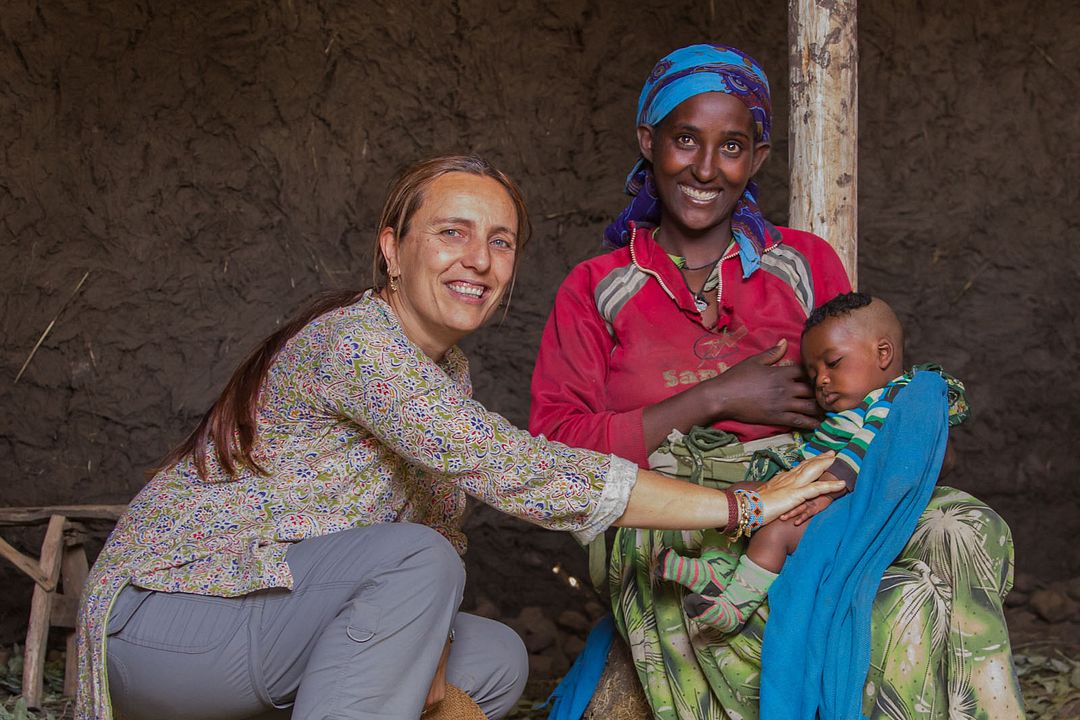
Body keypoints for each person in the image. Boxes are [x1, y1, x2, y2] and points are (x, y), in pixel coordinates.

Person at [74, 154, 845, 720]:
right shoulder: (354, 343)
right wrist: (741, 506)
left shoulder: (448, 374)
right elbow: (513, 470)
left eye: (501, 241)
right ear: (392, 247)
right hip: (165, 625)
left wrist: (445, 697)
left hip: (271, 625)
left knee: (494, 662)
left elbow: (434, 548)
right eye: (452, 232)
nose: (479, 260)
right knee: (417, 562)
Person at [529, 44, 1024, 719]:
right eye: (684, 140)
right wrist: (715, 397)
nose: (705, 168)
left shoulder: (804, 263)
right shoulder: (595, 288)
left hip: (815, 493)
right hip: (675, 508)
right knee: (877, 610)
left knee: (966, 527)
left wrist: (892, 441)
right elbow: (553, 452)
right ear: (648, 142)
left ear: (757, 157)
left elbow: (872, 388)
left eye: (731, 146)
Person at [657, 292, 969, 632]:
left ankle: (735, 606)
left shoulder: (894, 399)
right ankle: (715, 568)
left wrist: (821, 493)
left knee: (778, 528)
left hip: (846, 509)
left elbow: (865, 451)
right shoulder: (850, 410)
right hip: (810, 494)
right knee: (738, 496)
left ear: (883, 353)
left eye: (833, 363)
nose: (821, 380)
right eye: (812, 372)